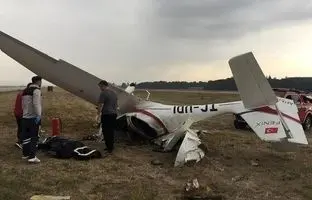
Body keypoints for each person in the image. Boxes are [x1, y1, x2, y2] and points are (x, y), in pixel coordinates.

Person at [21, 76, 42, 163]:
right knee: (34, 137)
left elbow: (23, 104)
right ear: (38, 82)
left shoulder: (25, 91)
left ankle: (25, 154)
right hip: (33, 118)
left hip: (25, 117)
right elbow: (36, 104)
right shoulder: (36, 91)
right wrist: (39, 115)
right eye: (40, 81)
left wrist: (25, 113)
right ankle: (32, 157)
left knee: (26, 137)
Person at [97, 80, 118, 153]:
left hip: (107, 114)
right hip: (114, 114)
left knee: (106, 131)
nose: (100, 88)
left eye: (100, 86)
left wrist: (98, 114)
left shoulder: (103, 93)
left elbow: (100, 104)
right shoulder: (114, 93)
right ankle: (110, 146)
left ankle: (109, 148)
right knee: (111, 131)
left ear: (103, 85)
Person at [14, 83, 31, 149]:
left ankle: (19, 140)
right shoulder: (26, 95)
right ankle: (20, 142)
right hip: (22, 114)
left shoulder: (20, 93)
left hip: (17, 113)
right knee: (24, 128)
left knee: (20, 127)